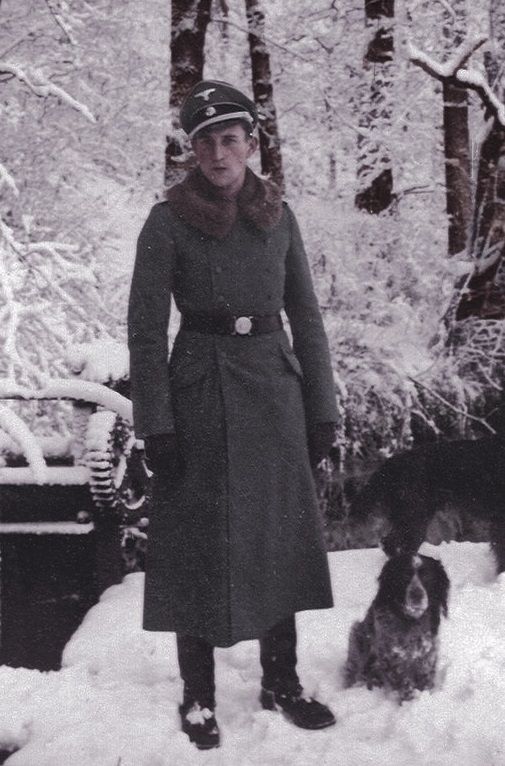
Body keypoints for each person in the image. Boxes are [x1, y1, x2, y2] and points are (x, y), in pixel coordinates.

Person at [127, 80, 339, 750]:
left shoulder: (280, 215)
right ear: (191, 150)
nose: (218, 154)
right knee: (197, 536)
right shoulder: (167, 221)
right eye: (205, 142)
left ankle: (282, 680)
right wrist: (155, 422)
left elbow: (305, 316)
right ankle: (198, 697)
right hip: (200, 391)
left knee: (278, 530)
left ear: (251, 144)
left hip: (274, 389)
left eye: (230, 139)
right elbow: (143, 329)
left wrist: (321, 409)